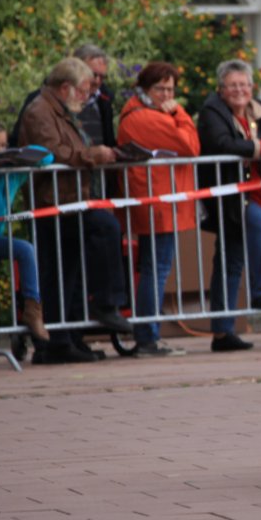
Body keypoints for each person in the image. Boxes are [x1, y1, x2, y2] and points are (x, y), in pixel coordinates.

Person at [17, 56, 133, 363]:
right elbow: (53, 152)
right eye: (82, 90)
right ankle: (102, 306)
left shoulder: (59, 110)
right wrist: (92, 155)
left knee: (66, 271)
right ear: (65, 87)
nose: (86, 96)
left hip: (67, 199)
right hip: (53, 202)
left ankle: (64, 339)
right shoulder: (40, 111)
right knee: (97, 234)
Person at [198, 59, 261, 352]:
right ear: (221, 89)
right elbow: (221, 144)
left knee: (230, 261)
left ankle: (222, 332)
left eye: (244, 85)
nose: (239, 90)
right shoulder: (212, 112)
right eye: (233, 85)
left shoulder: (258, 110)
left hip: (256, 195)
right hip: (228, 198)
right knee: (256, 227)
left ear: (252, 87)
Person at [116, 63, 201, 356]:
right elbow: (190, 145)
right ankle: (147, 337)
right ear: (145, 90)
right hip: (158, 203)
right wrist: (179, 113)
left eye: (170, 90)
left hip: (160, 200)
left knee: (155, 268)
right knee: (156, 269)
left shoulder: (144, 114)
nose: (166, 96)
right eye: (160, 89)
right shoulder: (145, 117)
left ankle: (148, 335)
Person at [0, 120, 50, 349]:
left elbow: (47, 157)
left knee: (25, 249)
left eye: (3, 145)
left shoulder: (10, 170)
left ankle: (32, 309)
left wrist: (19, 154)